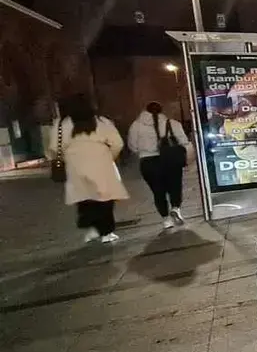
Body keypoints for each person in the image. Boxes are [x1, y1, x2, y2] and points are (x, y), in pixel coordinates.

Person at [46, 94, 129, 243]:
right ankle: (106, 232)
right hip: (101, 164)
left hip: (75, 167)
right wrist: (109, 156)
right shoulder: (101, 122)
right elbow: (118, 143)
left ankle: (92, 227)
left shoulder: (61, 124)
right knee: (105, 198)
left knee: (85, 198)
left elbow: (53, 148)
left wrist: (66, 158)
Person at [128, 101, 190, 230]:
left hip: (148, 162)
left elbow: (132, 146)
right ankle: (175, 207)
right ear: (162, 111)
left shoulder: (136, 126)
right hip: (171, 160)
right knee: (175, 186)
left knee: (158, 191)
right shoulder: (172, 123)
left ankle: (166, 219)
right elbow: (183, 141)